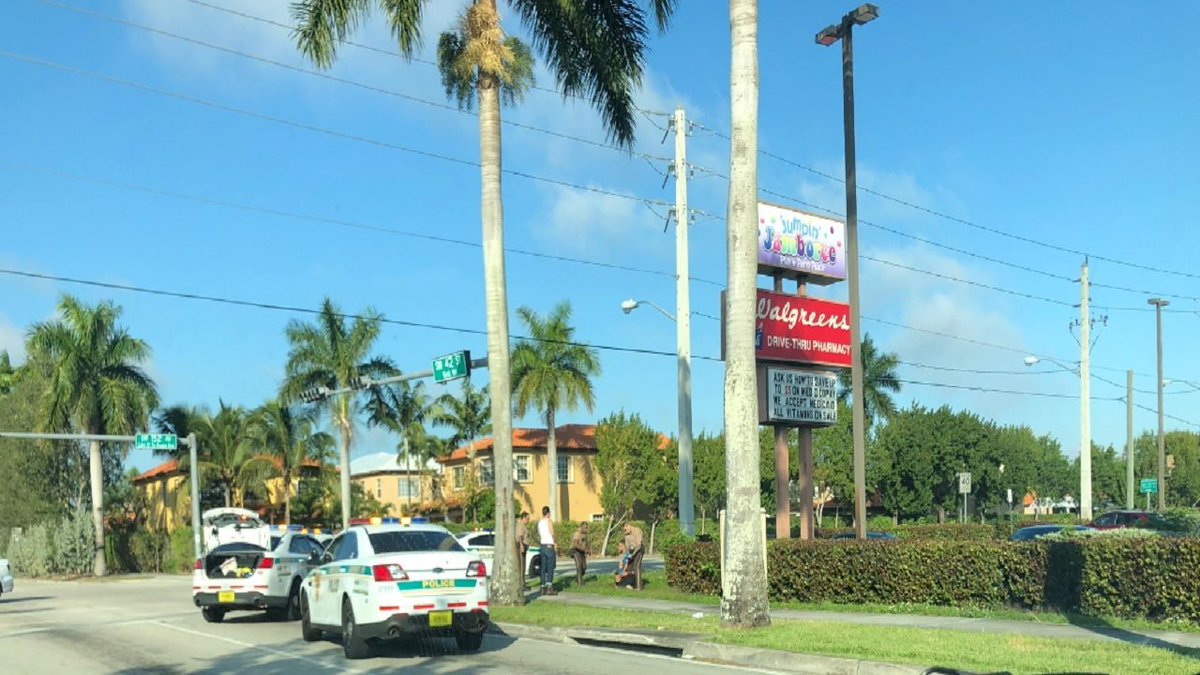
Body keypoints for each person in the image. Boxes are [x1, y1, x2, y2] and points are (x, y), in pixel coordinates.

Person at [537, 506, 556, 595]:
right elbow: (552, 533)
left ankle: (542, 586)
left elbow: (540, 533)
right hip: (549, 545)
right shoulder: (549, 521)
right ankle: (549, 587)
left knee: (543, 567)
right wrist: (555, 542)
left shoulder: (540, 522)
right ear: (548, 513)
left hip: (542, 545)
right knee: (550, 566)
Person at [570, 521, 589, 587]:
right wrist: (583, 549)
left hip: (582, 551)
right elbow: (575, 545)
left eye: (586, 528)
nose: (586, 529)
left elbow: (585, 542)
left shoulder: (585, 534)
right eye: (584, 528)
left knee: (584, 567)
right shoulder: (577, 534)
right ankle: (580, 583)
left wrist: (587, 549)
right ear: (581, 527)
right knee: (579, 566)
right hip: (575, 551)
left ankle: (577, 578)